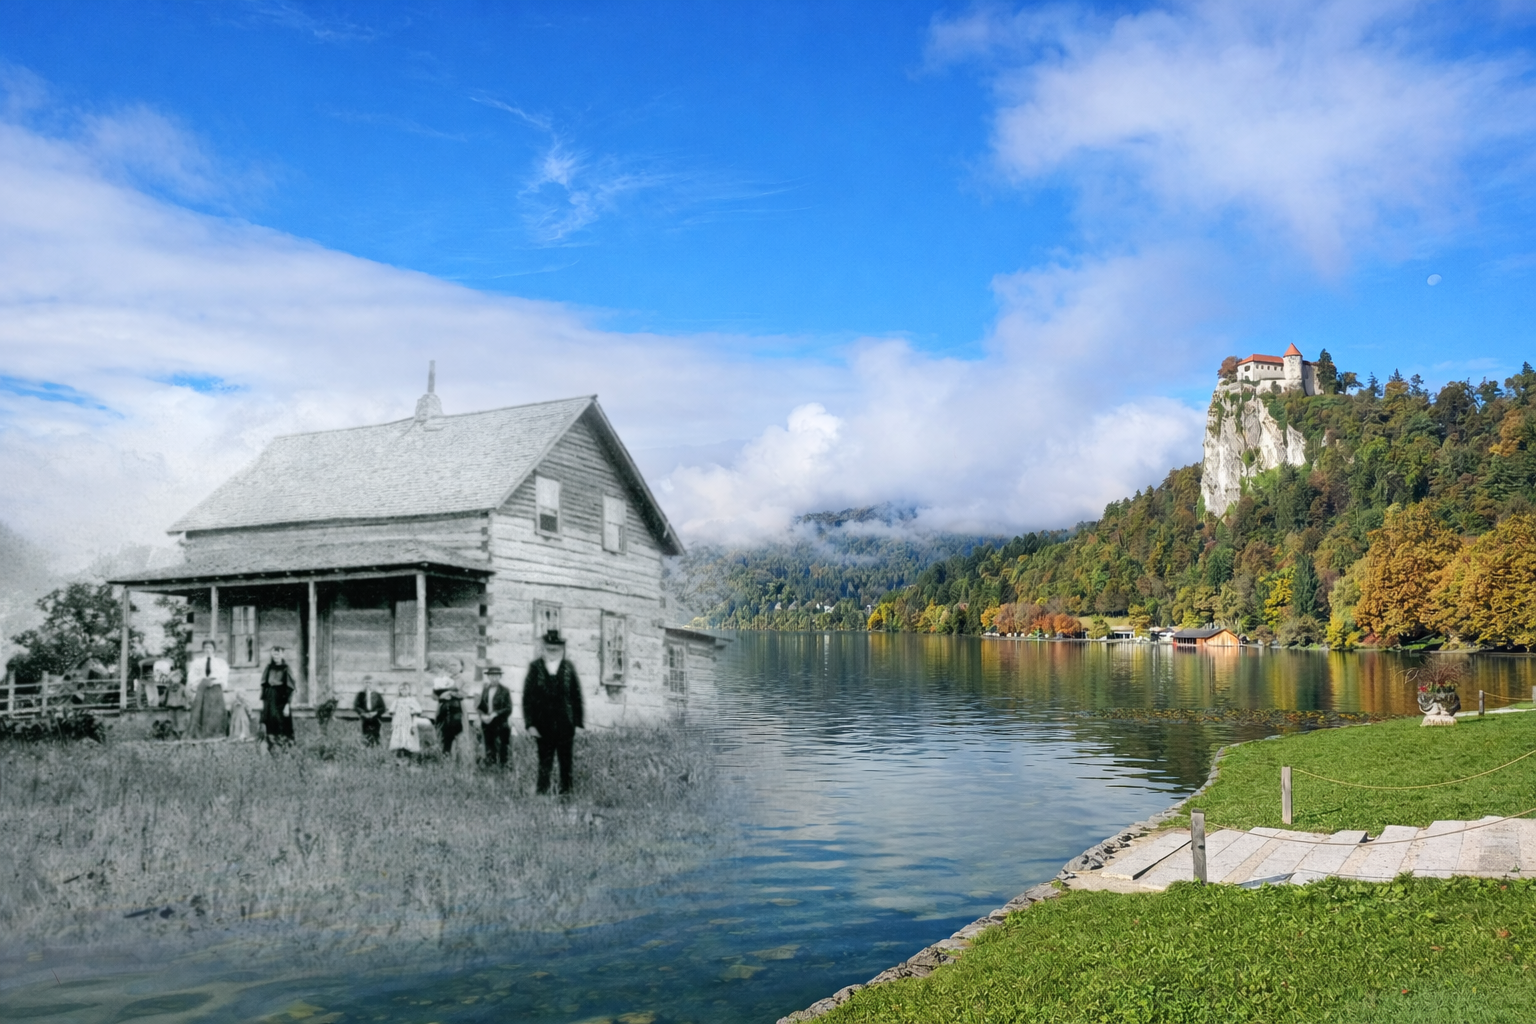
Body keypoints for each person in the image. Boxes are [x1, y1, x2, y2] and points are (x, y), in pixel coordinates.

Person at [522, 629, 584, 795]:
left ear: (561, 649)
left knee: (566, 762)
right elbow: (527, 699)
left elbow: (576, 696)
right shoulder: (535, 668)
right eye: (549, 648)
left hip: (566, 724)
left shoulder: (568, 668)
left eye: (556, 649)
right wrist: (530, 724)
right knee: (544, 762)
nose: (553, 652)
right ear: (543, 648)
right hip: (543, 725)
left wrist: (578, 723)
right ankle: (542, 795)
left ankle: (567, 795)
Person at [187, 639, 230, 739]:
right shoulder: (198, 662)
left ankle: (215, 733)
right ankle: (202, 733)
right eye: (205, 648)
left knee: (215, 710)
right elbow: (192, 675)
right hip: (203, 688)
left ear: (214, 649)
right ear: (203, 649)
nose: (207, 650)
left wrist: (215, 681)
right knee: (202, 709)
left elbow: (224, 676)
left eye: (210, 647)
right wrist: (200, 682)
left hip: (215, 688)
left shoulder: (220, 662)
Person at [260, 647, 297, 749]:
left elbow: (290, 688)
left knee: (281, 720)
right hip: (269, 698)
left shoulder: (286, 668)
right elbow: (264, 685)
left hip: (281, 698)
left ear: (282, 655)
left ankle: (284, 744)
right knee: (270, 720)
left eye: (278, 654)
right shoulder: (269, 668)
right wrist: (264, 701)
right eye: (274, 654)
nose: (276, 656)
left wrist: (287, 705)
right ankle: (271, 743)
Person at [478, 665, 513, 769]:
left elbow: (509, 708)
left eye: (496, 676)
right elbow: (481, 706)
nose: (494, 678)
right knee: (489, 745)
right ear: (488, 677)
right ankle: (491, 767)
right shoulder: (485, 689)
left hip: (501, 723)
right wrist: (482, 715)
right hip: (487, 722)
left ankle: (503, 768)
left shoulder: (505, 690)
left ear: (500, 677)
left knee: (503, 746)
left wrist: (495, 714)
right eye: (492, 676)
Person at [434, 660, 464, 757]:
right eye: (450, 665)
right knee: (443, 731)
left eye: (455, 665)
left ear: (461, 667)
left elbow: (464, 693)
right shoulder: (443, 679)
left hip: (457, 708)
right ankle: (445, 756)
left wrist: (449, 693)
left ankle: (459, 758)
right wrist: (440, 695)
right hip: (443, 708)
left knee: (457, 732)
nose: (452, 667)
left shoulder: (463, 679)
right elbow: (434, 695)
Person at [389, 681, 423, 760]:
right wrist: (393, 722)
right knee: (399, 736)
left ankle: (408, 754)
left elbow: (418, 710)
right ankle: (400, 753)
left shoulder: (411, 700)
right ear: (399, 691)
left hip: (408, 722)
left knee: (408, 736)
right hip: (399, 722)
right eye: (402, 690)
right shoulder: (397, 700)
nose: (404, 692)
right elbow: (392, 711)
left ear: (409, 691)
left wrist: (412, 711)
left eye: (406, 690)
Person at [354, 676, 387, 746]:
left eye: (370, 683)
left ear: (373, 684)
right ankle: (366, 747)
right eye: (366, 682)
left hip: (375, 718)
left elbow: (383, 708)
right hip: (364, 718)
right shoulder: (360, 695)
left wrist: (375, 712)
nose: (368, 684)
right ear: (363, 684)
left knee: (375, 735)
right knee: (365, 734)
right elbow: (356, 706)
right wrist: (363, 713)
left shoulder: (377, 695)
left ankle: (375, 747)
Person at [163, 667, 189, 736]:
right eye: (174, 677)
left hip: (179, 707)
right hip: (171, 706)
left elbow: (187, 696)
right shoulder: (169, 687)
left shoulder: (182, 687)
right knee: (172, 722)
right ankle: (175, 734)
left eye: (178, 677)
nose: (176, 678)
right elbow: (165, 696)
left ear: (180, 678)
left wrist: (187, 704)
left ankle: (180, 735)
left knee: (180, 722)